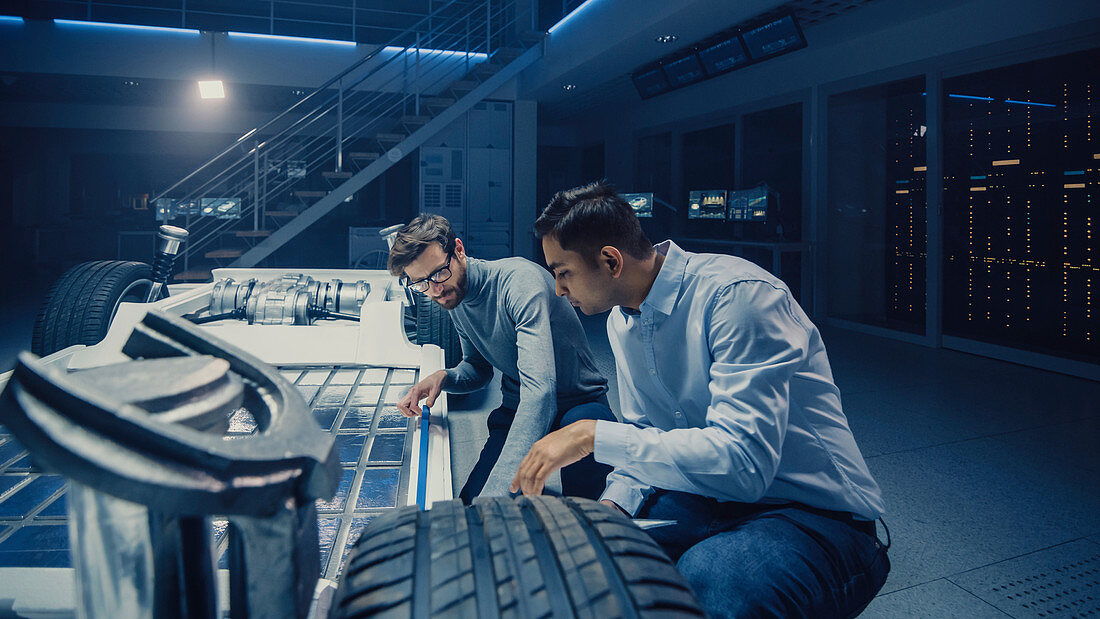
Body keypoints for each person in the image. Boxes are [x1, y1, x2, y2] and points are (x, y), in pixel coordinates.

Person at [514, 181, 890, 618]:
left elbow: (745, 466)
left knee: (710, 577)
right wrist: (613, 505)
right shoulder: (623, 322)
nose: (559, 290)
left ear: (610, 260)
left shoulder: (738, 296)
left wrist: (593, 434)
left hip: (816, 513)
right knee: (589, 560)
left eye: (563, 273)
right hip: (709, 494)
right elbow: (648, 436)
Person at [391, 213, 615, 503]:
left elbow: (541, 390)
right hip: (518, 407)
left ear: (458, 250)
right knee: (470, 504)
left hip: (578, 405)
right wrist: (444, 377)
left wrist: (496, 497)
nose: (435, 289)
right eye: (421, 283)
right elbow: (478, 369)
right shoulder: (454, 298)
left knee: (582, 510)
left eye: (439, 273)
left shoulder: (519, 283)